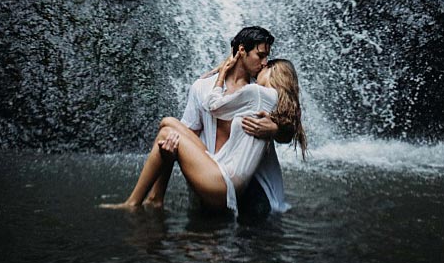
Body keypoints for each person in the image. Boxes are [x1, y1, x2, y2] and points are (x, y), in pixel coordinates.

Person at [101, 26, 302, 214]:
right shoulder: (202, 87)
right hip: (212, 173)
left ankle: (140, 202)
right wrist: (171, 153)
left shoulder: (262, 89)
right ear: (242, 51)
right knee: (168, 127)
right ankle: (154, 198)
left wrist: (275, 129)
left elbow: (289, 126)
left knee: (168, 128)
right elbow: (187, 136)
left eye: (267, 57)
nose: (266, 62)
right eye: (261, 55)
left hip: (247, 186)